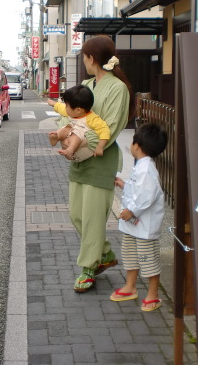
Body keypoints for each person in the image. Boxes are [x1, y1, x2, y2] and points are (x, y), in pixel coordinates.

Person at [61, 35, 134, 292]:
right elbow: (69, 112)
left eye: (84, 56)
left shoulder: (117, 88)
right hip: (79, 158)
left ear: (92, 59)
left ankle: (89, 268)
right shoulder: (85, 83)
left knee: (92, 218)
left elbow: (111, 127)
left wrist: (77, 143)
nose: (83, 61)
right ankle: (105, 255)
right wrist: (67, 136)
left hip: (100, 158)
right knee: (76, 214)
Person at [109, 123, 168, 312]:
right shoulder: (142, 167)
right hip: (133, 225)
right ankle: (130, 286)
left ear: (137, 145)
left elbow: (146, 195)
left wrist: (131, 211)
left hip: (143, 225)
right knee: (130, 255)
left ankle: (153, 295)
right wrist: (124, 184)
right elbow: (137, 189)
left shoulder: (147, 170)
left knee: (148, 258)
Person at [47, 85, 110, 162]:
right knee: (66, 128)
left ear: (78, 110)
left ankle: (70, 150)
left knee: (76, 135)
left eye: (67, 105)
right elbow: (60, 107)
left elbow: (104, 130)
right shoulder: (71, 112)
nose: (65, 107)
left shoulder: (92, 118)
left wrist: (100, 147)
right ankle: (57, 136)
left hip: (79, 136)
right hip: (71, 130)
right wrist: (53, 103)